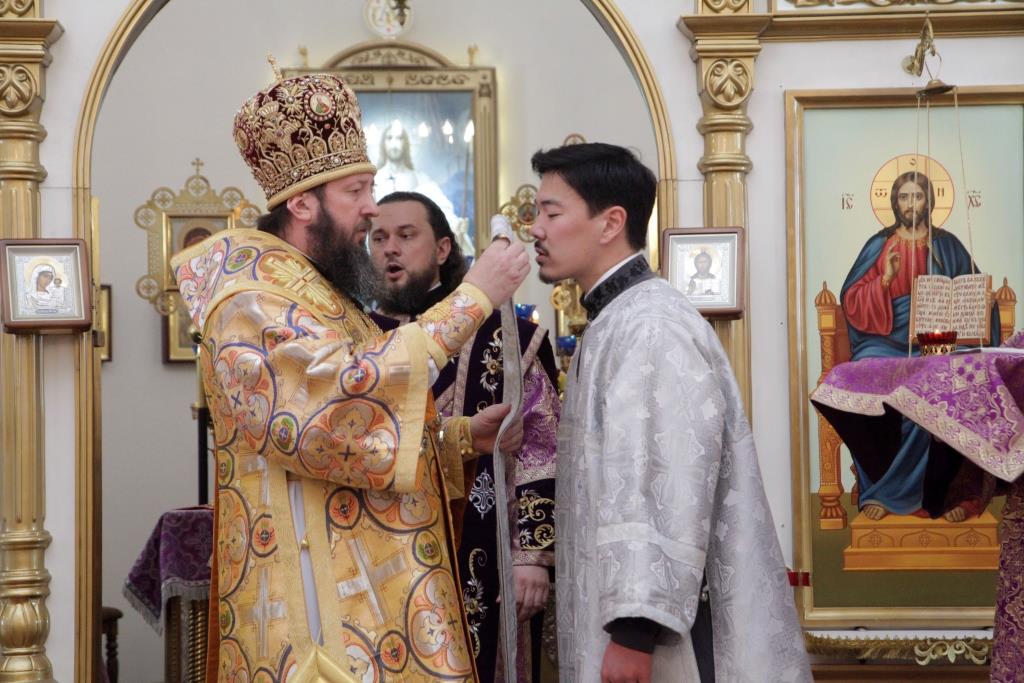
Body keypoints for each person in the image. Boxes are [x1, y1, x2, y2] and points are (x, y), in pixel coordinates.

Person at [170, 72, 529, 682]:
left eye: (372, 187)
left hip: (363, 592)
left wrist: (459, 438)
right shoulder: (250, 299)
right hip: (315, 616)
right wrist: (473, 298)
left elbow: (362, 424)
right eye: (356, 190)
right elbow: (326, 416)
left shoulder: (319, 293)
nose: (371, 207)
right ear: (302, 203)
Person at [529, 142, 810, 682]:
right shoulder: (618, 319)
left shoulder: (650, 326)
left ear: (611, 222)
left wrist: (635, 632)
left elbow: (663, 480)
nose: (536, 229)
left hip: (655, 637)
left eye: (551, 212)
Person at [368, 191, 560, 683]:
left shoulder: (507, 335)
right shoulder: (356, 341)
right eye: (379, 238)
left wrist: (531, 557)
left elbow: (542, 445)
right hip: (380, 554)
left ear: (442, 249)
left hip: (484, 547)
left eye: (406, 235)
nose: (390, 249)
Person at [840, 170, 998, 522]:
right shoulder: (879, 245)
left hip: (940, 342)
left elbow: (972, 289)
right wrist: (884, 280)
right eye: (904, 197)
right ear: (894, 202)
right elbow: (851, 301)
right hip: (885, 340)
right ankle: (883, 492)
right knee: (867, 375)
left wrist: (983, 302)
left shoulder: (948, 244)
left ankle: (954, 494)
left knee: (963, 380)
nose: (911, 203)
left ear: (930, 200)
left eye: (918, 196)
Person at [374, 119, 474, 254]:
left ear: (405, 143)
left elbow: (442, 209)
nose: (394, 143)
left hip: (412, 249)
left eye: (399, 138)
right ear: (383, 143)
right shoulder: (375, 180)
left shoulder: (421, 180)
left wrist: (456, 224)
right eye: (389, 138)